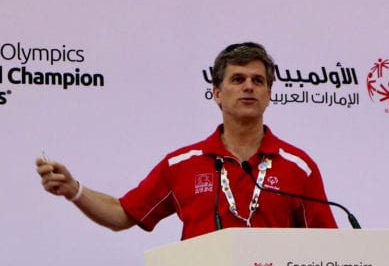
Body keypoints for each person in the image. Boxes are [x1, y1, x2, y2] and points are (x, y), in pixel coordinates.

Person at [36, 42, 337, 240]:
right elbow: (122, 214)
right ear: (217, 93)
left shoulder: (299, 167)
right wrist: (74, 190)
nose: (249, 86)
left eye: (258, 81)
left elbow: (328, 247)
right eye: (237, 79)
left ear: (269, 95)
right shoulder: (182, 164)